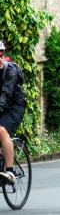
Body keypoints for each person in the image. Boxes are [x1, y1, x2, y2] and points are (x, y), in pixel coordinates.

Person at [0, 40, 26, 185]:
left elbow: (6, 94)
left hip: (15, 106)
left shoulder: (10, 71)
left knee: (1, 130)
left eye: (0, 54)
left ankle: (10, 170)